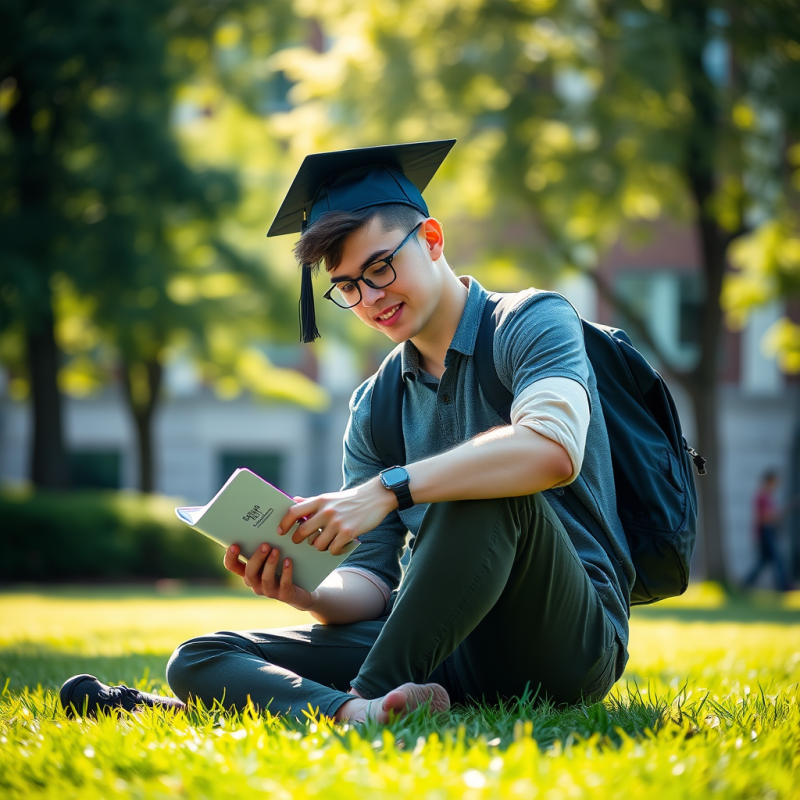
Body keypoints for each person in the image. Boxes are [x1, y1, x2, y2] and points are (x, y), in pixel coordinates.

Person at [60, 140, 632, 723]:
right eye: (349, 286)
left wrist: (388, 489)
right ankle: (357, 712)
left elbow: (552, 448)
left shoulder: (530, 322)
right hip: (440, 646)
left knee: (475, 493)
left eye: (380, 267)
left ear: (432, 240)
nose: (370, 299)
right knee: (203, 656)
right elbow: (374, 582)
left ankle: (361, 698)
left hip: (560, 641)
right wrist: (307, 592)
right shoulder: (376, 405)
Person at [743, 469, 791, 592]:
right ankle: (784, 587)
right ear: (769, 481)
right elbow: (764, 517)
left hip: (769, 531)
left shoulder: (768, 496)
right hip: (766, 532)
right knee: (778, 559)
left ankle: (746, 584)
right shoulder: (762, 496)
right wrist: (779, 514)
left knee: (763, 561)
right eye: (775, 482)